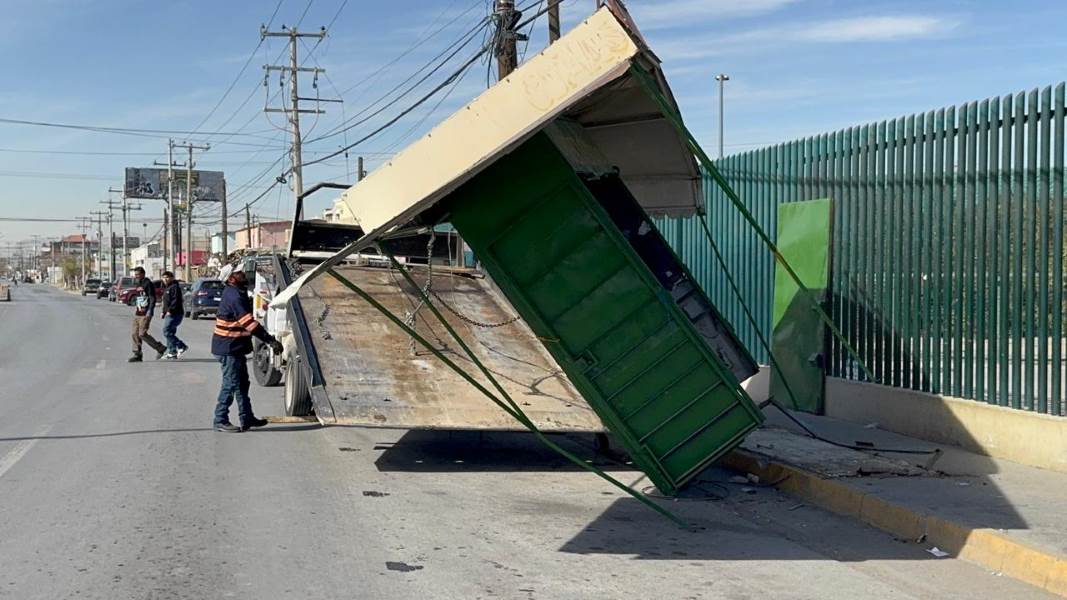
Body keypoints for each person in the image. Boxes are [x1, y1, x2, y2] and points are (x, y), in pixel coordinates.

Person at [211, 270, 283, 432]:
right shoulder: (234, 296)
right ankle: (220, 419)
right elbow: (249, 323)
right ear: (237, 282)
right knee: (230, 384)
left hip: (234, 347)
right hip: (228, 347)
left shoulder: (235, 292)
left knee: (242, 384)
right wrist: (270, 341)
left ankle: (247, 417)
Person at [128, 267, 167, 363]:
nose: (136, 276)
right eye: (135, 274)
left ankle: (160, 348)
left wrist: (150, 310)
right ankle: (137, 354)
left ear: (143, 274)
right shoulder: (138, 283)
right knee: (134, 333)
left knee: (142, 334)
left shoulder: (148, 283)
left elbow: (152, 297)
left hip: (146, 313)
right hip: (138, 312)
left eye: (138, 274)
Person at [159, 271, 188, 359]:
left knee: (166, 331)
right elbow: (166, 302)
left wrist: (170, 310)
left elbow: (176, 300)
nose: (165, 279)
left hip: (175, 314)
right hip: (169, 313)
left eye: (167, 277)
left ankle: (181, 346)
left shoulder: (175, 287)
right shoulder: (167, 288)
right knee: (170, 332)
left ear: (172, 278)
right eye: (163, 277)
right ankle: (172, 352)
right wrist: (163, 312)